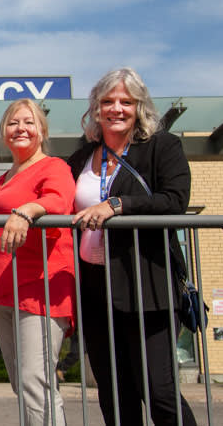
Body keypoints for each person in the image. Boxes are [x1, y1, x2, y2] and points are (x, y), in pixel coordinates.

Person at [68, 68, 196, 426]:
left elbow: (174, 200)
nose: (117, 108)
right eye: (108, 101)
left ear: (140, 107)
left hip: (146, 285)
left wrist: (117, 204)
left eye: (127, 101)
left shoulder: (161, 146)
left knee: (159, 392)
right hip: (93, 288)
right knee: (114, 395)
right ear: (96, 109)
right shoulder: (82, 157)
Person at [0, 98, 76, 425]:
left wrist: (26, 211)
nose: (21, 129)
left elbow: (59, 200)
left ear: (41, 131)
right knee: (23, 384)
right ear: (4, 132)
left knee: (35, 383)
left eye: (29, 122)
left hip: (38, 289)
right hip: (1, 294)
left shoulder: (54, 167)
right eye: (13, 123)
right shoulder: (1, 180)